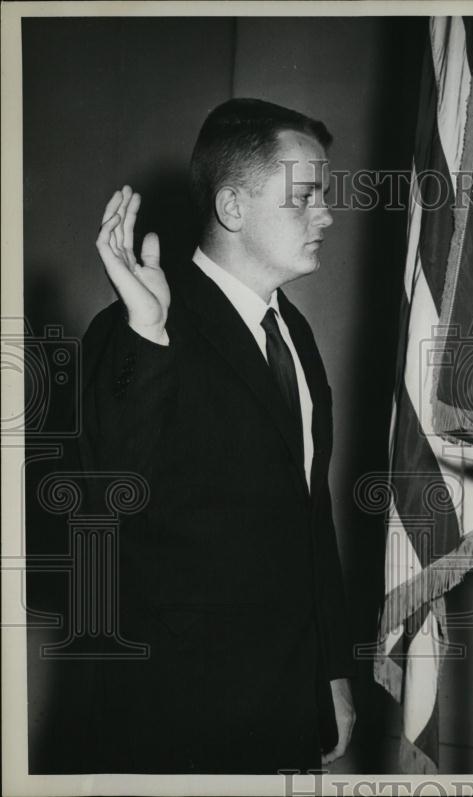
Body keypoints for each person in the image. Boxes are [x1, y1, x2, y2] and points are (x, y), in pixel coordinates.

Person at [79, 98, 355, 773]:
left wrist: (332, 673)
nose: (325, 213)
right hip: (180, 719)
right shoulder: (139, 325)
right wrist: (146, 331)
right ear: (232, 208)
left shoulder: (296, 335)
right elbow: (109, 491)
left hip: (289, 707)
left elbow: (310, 516)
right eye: (304, 196)